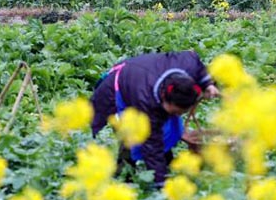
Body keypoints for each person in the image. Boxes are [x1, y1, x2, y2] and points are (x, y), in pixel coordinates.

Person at [91, 51, 220, 189]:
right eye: (175, 111)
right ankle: (123, 177)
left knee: (169, 128)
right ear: (163, 97)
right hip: (117, 88)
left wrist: (207, 84)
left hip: (144, 74)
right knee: (131, 137)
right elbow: (152, 145)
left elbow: (194, 59)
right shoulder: (145, 101)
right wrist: (161, 184)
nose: (177, 114)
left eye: (181, 112)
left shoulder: (187, 64)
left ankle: (166, 165)